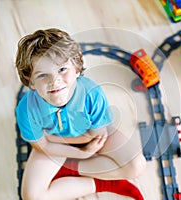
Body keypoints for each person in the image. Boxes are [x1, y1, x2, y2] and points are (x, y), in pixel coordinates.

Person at [15, 28, 146, 200]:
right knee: (32, 197)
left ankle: (71, 169)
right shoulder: (26, 109)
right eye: (42, 75)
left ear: (77, 69)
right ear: (30, 82)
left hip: (88, 135)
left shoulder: (92, 94)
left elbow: (94, 135)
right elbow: (41, 146)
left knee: (136, 166)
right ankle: (100, 181)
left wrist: (52, 139)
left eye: (62, 69)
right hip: (57, 146)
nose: (55, 81)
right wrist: (81, 154)